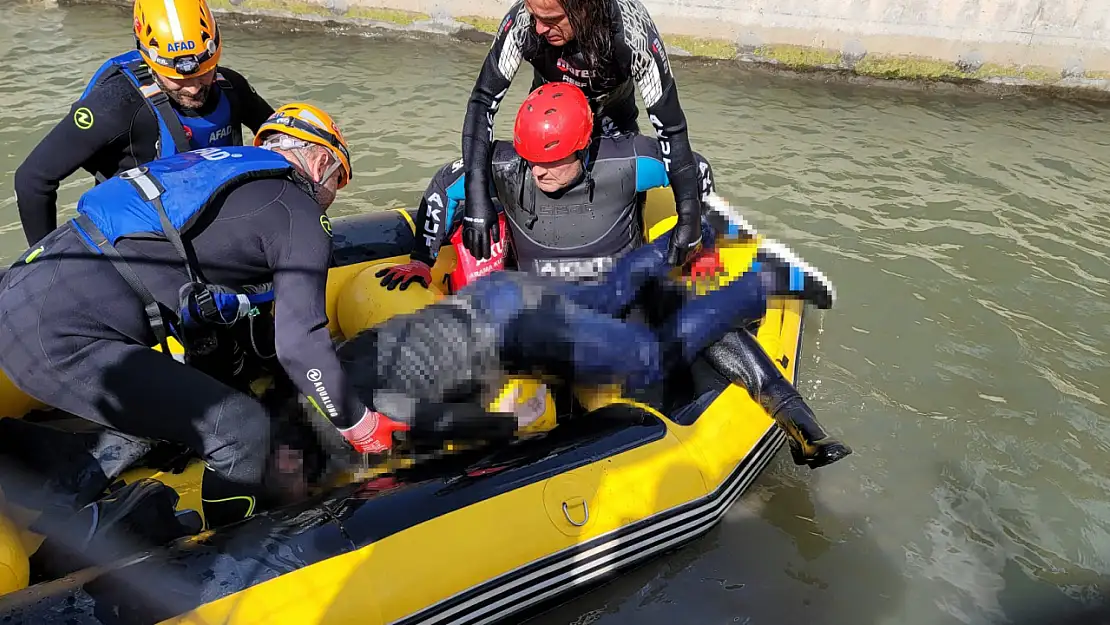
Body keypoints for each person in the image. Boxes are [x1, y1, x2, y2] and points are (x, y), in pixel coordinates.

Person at [379, 82, 851, 469]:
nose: (539, 172)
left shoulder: (627, 161)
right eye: (533, 161)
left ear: (583, 147)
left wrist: (695, 228)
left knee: (698, 314)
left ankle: (798, 424)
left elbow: (694, 166)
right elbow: (445, 181)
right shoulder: (506, 165)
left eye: (553, 162)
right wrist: (423, 254)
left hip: (629, 296)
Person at [0, 103, 374, 563]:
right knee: (242, 430)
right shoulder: (296, 207)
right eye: (339, 180)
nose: (333, 196)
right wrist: (360, 423)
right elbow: (301, 344)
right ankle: (227, 560)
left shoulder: (212, 173)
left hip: (25, 287)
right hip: (61, 336)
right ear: (322, 162)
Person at [338, 220, 821, 458]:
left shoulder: (370, 418)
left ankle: (758, 285)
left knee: (649, 359)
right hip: (495, 297)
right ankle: (696, 233)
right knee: (609, 294)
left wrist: (509, 425)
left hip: (515, 335)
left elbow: (449, 425)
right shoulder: (331, 363)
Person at [459, 0, 706, 271]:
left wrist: (689, 214)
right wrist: (476, 194)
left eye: (552, 20)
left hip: (613, 130)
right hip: (550, 129)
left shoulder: (633, 33)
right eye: (535, 17)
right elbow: (482, 102)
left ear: (585, 8)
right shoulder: (524, 22)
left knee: (622, 225)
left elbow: (670, 128)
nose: (539, 28)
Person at [13, 0, 275, 247]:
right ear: (150, 61)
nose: (194, 88)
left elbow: (284, 137)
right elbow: (33, 180)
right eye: (178, 79)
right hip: (142, 247)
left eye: (204, 72)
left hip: (219, 231)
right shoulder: (116, 104)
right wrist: (44, 261)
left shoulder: (231, 88)